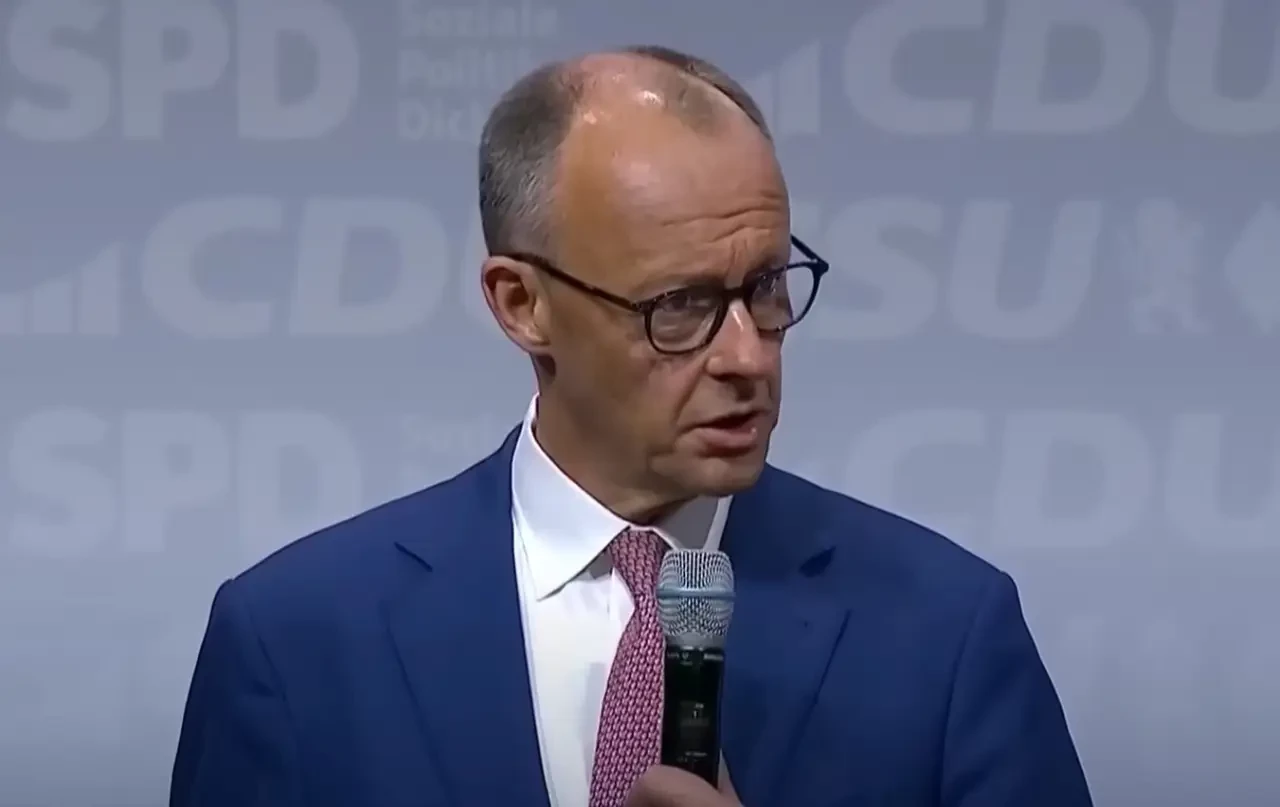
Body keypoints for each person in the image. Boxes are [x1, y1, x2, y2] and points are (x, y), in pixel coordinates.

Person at [169, 46, 1093, 807]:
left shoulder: (946, 631)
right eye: (679, 305)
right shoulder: (296, 640)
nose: (748, 356)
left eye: (766, 287)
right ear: (522, 303)